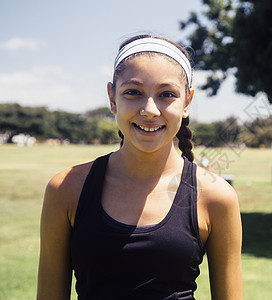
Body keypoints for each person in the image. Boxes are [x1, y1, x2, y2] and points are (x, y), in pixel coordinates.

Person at [37, 34, 243, 300]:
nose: (149, 110)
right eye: (133, 92)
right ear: (112, 97)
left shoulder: (216, 197)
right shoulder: (66, 189)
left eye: (166, 94)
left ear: (187, 102)